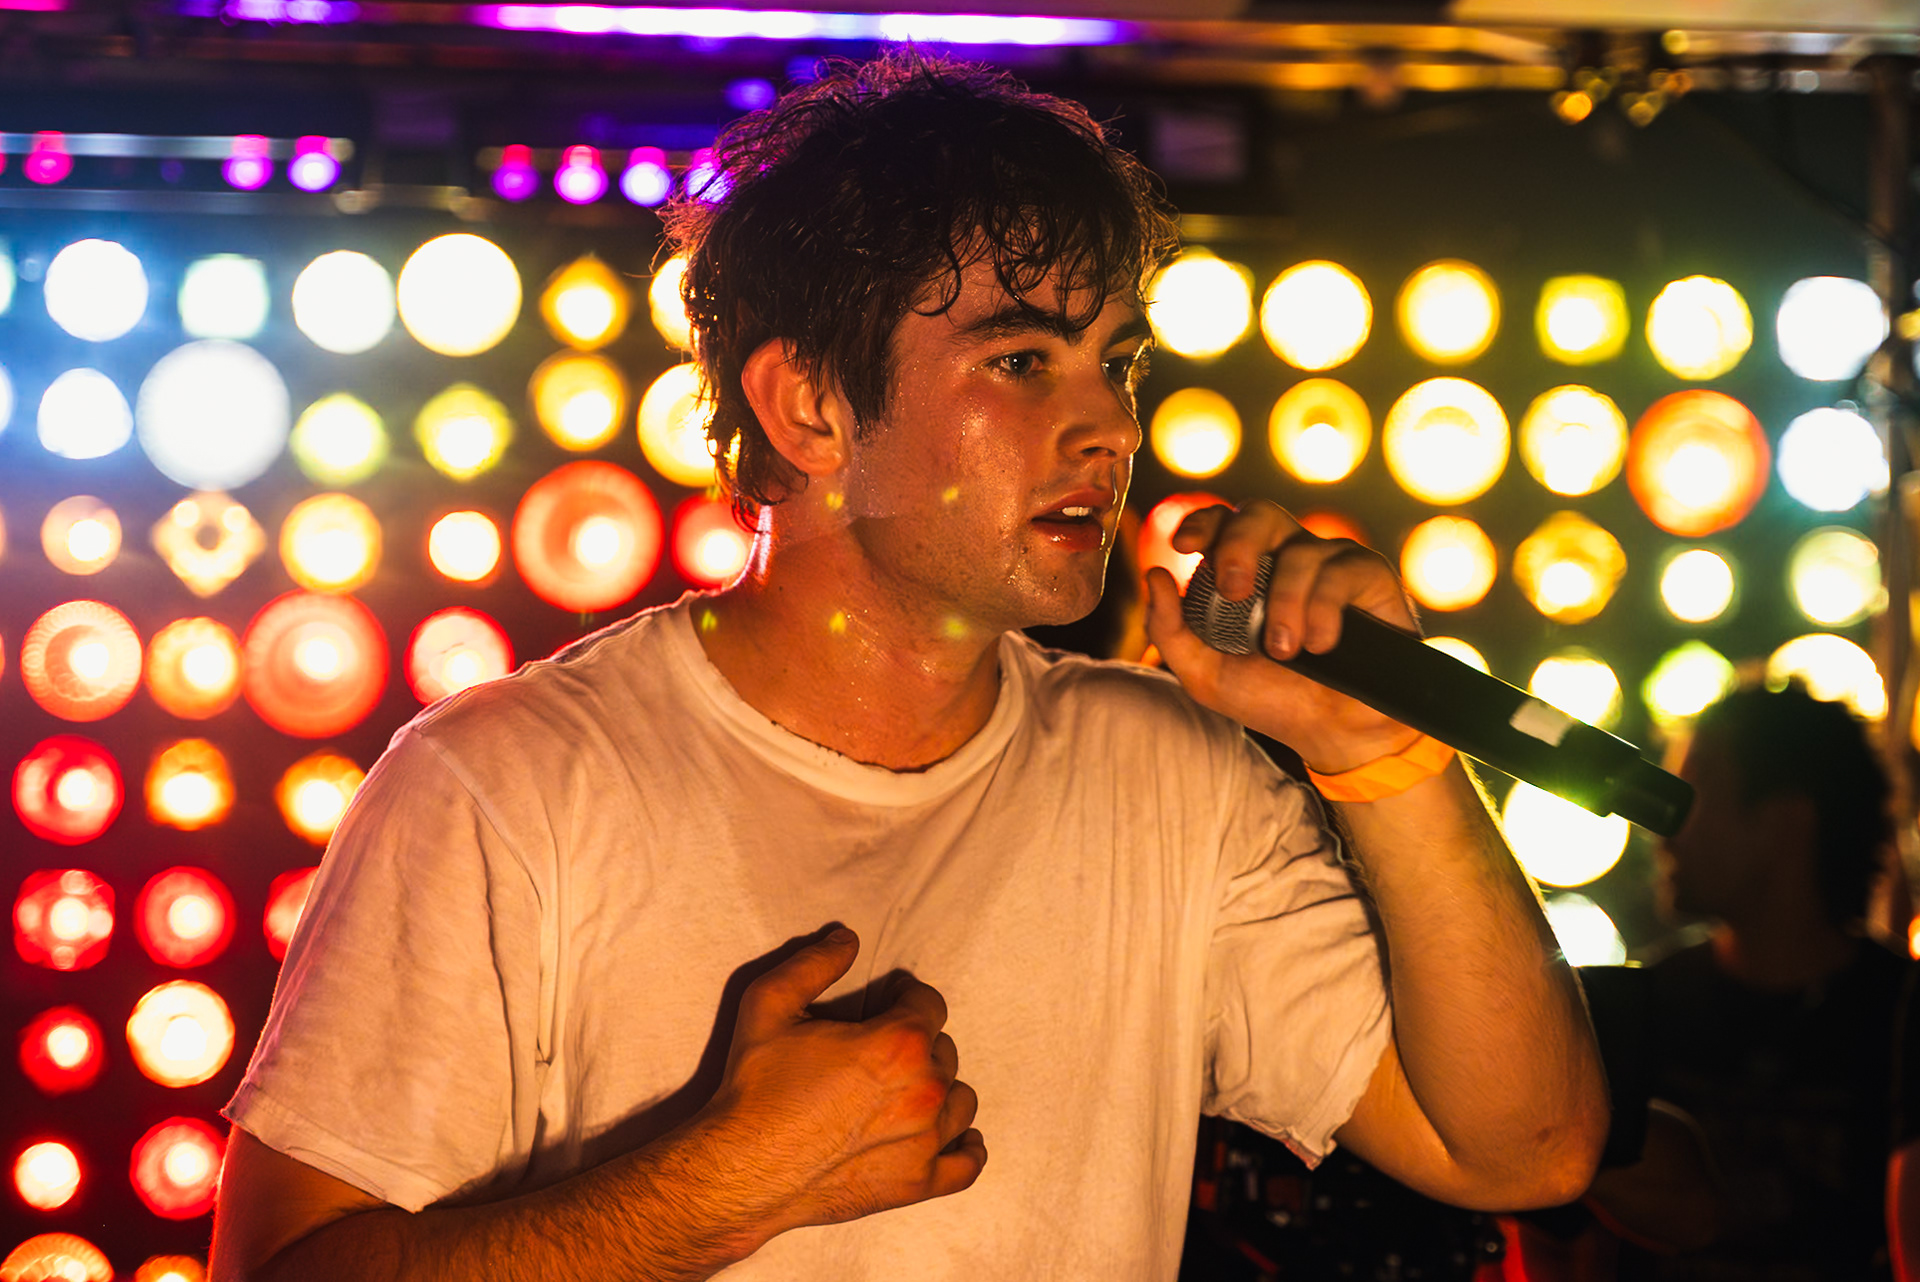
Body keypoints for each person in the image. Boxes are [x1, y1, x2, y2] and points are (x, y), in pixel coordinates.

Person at [207, 53, 1606, 1281]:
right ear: (811, 405)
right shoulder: (505, 783)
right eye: (1019, 361)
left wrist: (1387, 757)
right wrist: (713, 1182)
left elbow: (1524, 1150)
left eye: (1114, 362)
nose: (1108, 429)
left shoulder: (1164, 771)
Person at [1586, 681, 1911, 1281]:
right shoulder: (1651, 1003)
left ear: (1787, 821)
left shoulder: (1903, 1017)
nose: (1663, 830)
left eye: (1692, 794)